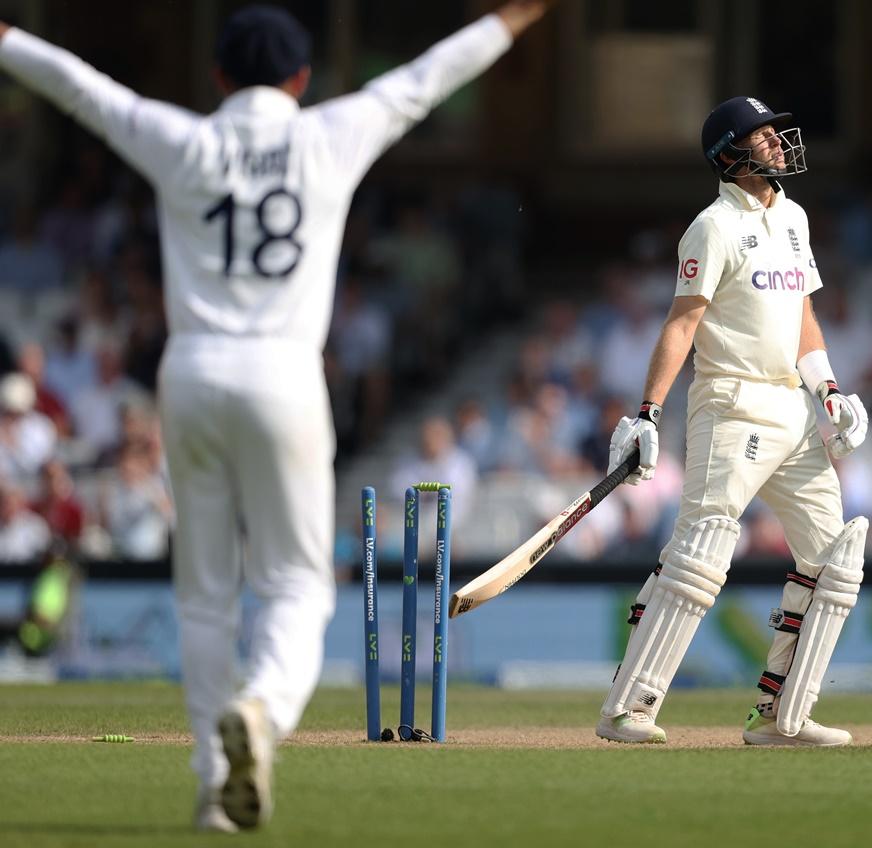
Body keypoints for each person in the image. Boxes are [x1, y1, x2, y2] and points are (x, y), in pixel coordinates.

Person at [0, 1, 554, 831]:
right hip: (286, 375)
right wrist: (512, 20)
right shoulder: (330, 132)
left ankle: (212, 786)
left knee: (206, 595)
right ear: (301, 79)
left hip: (189, 373)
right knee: (298, 582)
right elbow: (426, 78)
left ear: (219, 77)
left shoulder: (184, 139)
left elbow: (82, 90)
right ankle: (262, 710)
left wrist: (6, 36)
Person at [599, 96, 870, 747]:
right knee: (701, 553)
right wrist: (647, 413)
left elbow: (802, 317)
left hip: (792, 410)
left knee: (834, 560)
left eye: (777, 131)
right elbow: (683, 321)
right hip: (731, 403)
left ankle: (780, 717)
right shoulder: (714, 226)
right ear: (730, 153)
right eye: (763, 135)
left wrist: (828, 390)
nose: (778, 142)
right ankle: (626, 710)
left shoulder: (794, 217)